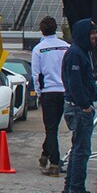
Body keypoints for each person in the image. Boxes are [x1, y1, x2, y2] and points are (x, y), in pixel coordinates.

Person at [60, 19, 97, 193]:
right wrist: (85, 105)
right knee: (82, 150)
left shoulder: (81, 52)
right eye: (92, 33)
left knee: (78, 147)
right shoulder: (76, 53)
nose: (95, 36)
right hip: (78, 108)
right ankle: (77, 188)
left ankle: (70, 186)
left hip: (78, 106)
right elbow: (74, 83)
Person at [31, 16, 70, 176]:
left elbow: (36, 74)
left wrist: (38, 93)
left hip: (49, 91)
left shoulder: (39, 49)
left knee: (51, 129)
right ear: (56, 29)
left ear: (41, 30)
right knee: (54, 127)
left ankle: (54, 163)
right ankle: (45, 154)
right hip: (65, 90)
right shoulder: (66, 47)